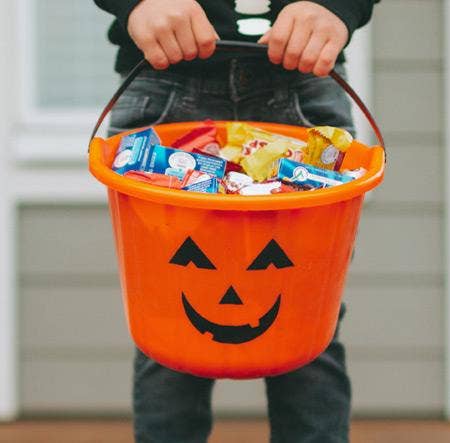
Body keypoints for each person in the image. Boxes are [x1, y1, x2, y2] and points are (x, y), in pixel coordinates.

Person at [93, 1, 376, 442]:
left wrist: (337, 7)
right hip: (164, 74)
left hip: (303, 79)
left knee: (306, 316)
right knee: (167, 317)